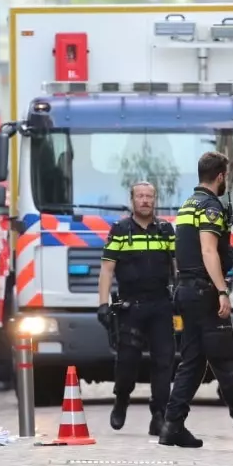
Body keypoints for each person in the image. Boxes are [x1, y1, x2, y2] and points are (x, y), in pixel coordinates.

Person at [160, 152, 233, 450]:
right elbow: (208, 250)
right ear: (220, 176)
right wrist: (222, 290)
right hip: (204, 292)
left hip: (186, 290)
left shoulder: (187, 205)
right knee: (227, 363)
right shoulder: (210, 207)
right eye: (227, 176)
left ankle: (172, 426)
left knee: (193, 362)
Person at [96, 182, 176, 436]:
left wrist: (182, 296)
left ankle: (159, 415)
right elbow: (107, 269)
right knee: (127, 361)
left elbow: (176, 267)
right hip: (130, 307)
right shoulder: (120, 230)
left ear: (155, 200)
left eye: (149, 196)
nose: (145, 200)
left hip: (161, 305)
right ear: (132, 200)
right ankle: (121, 400)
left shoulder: (165, 230)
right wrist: (103, 304)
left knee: (164, 362)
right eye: (140, 196)